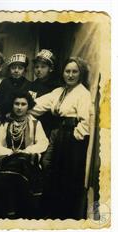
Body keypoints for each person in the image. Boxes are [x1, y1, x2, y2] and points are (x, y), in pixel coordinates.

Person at [30, 57, 91, 219]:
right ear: (63, 73)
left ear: (81, 74)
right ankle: (48, 212)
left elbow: (85, 122)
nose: (70, 75)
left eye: (74, 72)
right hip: (57, 133)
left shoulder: (83, 93)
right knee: (48, 167)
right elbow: (37, 105)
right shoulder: (59, 92)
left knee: (67, 174)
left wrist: (75, 139)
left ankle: (63, 215)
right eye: (67, 71)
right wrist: (21, 109)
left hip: (71, 137)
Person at [0, 91, 49, 219]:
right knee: (15, 162)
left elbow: (43, 143)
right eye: (16, 104)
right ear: (12, 105)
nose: (19, 107)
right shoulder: (7, 123)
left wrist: (25, 151)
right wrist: (10, 152)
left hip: (28, 159)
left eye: (23, 104)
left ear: (28, 106)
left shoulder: (35, 123)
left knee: (21, 159)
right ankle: (12, 210)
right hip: (9, 158)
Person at [28, 49, 60, 137]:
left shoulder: (56, 87)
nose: (39, 70)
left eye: (43, 67)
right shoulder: (31, 85)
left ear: (51, 69)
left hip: (48, 128)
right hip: (32, 126)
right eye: (36, 67)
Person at [0, 53, 31, 119]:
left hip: (23, 119)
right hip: (3, 119)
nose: (16, 71)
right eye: (13, 68)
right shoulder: (4, 83)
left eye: (20, 68)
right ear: (9, 69)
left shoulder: (29, 85)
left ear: (25, 71)